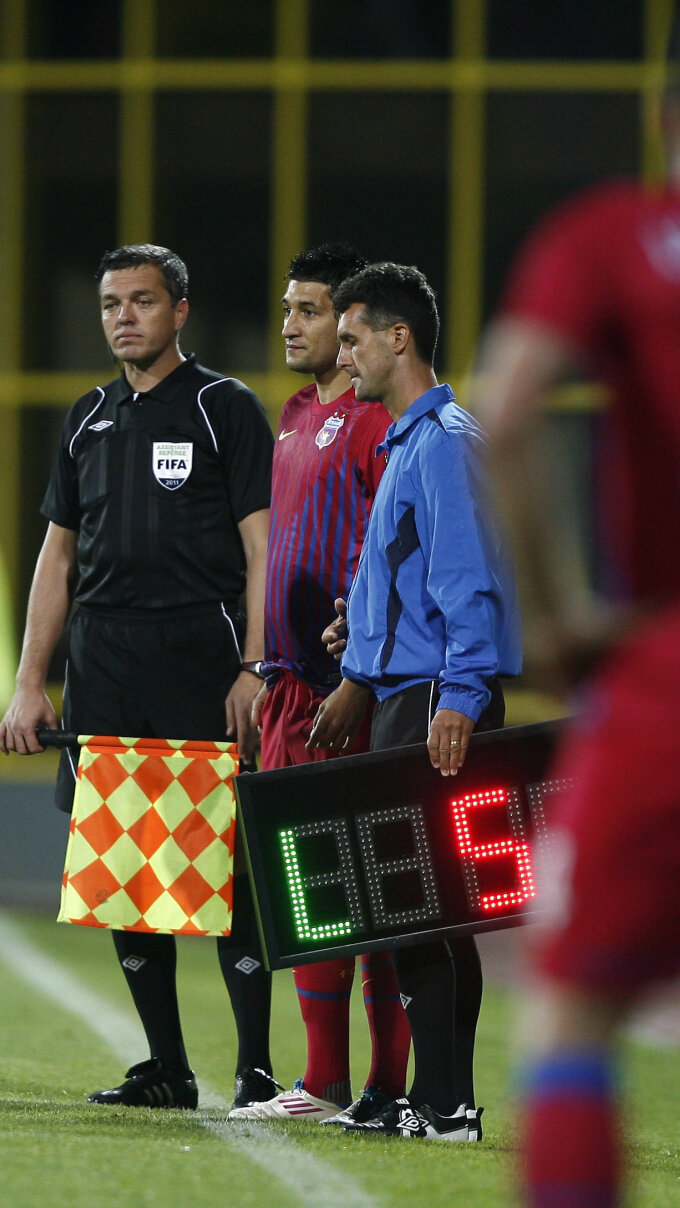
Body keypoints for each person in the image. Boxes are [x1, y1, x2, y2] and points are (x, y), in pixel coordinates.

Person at [0, 243, 275, 1110]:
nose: (124, 316)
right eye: (112, 302)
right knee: (125, 870)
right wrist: (30, 679)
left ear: (179, 311)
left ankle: (257, 1069)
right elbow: (57, 556)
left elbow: (266, 549)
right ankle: (167, 1068)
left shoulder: (225, 408)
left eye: (142, 301)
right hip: (106, 669)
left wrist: (256, 665)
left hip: (201, 662)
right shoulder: (86, 417)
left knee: (224, 869)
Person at [471, 65, 680, 1207]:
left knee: (571, 1007)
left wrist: (559, 623)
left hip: (664, 673)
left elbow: (507, 411)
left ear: (664, 118)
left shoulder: (614, 238)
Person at [307, 262, 521, 1141]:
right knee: (416, 915)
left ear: (400, 338)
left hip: (436, 700)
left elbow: (470, 583)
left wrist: (461, 695)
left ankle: (448, 1105)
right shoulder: (406, 441)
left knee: (427, 912)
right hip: (406, 691)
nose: (342, 352)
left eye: (353, 336)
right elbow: (413, 577)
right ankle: (435, 1100)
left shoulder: (445, 441)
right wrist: (356, 640)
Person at [227, 244, 411, 1125]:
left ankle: (375, 1085)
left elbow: (387, 547)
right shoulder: (295, 413)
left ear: (349, 328)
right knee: (308, 886)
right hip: (292, 685)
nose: (291, 325)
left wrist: (362, 665)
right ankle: (330, 1082)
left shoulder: (380, 423)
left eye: (307, 310)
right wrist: (264, 663)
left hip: (354, 684)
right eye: (288, 309)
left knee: (367, 884)